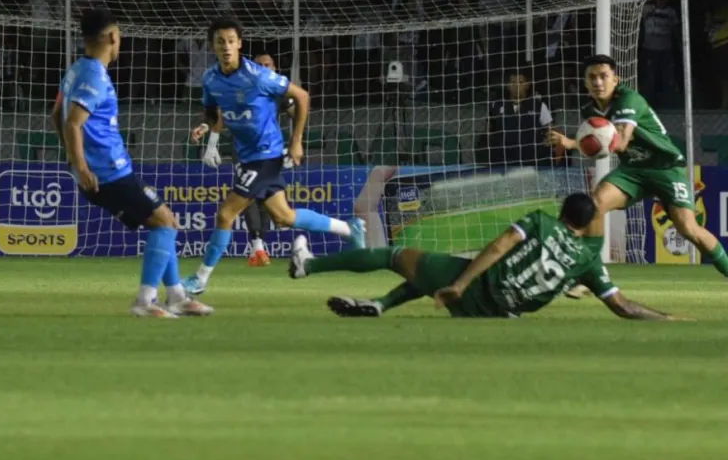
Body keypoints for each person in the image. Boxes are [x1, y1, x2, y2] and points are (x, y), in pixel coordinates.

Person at [182, 18, 365, 295]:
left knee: (225, 213)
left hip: (265, 155)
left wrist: (296, 141)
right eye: (221, 42)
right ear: (213, 46)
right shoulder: (209, 79)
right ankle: (350, 229)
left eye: (231, 41)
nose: (227, 47)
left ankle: (200, 280)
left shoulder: (258, 75)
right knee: (284, 217)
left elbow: (301, 96)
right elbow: (212, 110)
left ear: (240, 44)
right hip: (245, 156)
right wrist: (206, 127)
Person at [290, 193, 678, 320]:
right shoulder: (590, 262)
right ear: (592, 222)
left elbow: (497, 247)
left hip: (474, 290)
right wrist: (669, 317)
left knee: (394, 255)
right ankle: (379, 304)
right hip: (499, 313)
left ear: (562, 211)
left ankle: (308, 266)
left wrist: (460, 284)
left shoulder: (542, 223)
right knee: (433, 271)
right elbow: (623, 306)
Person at [53, 9, 212, 318]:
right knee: (165, 222)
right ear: (113, 37)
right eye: (120, 36)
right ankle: (145, 301)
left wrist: (75, 161)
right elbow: (72, 122)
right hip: (106, 174)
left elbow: (55, 115)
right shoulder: (94, 76)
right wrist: (82, 167)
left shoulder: (75, 70)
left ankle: (177, 295)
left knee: (164, 220)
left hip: (107, 171)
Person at [548, 54, 728, 277]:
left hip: (665, 168)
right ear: (585, 82)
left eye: (604, 76)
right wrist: (577, 143)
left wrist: (574, 143)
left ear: (616, 79)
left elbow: (620, 142)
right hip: (632, 170)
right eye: (592, 77)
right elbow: (604, 150)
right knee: (594, 206)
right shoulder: (590, 112)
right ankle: (590, 275)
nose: (598, 82)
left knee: (688, 229)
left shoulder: (629, 99)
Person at [198, 51, 296, 266]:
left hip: (271, 151)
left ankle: (259, 246)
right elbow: (221, 114)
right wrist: (209, 136)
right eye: (260, 64)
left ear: (274, 67)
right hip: (242, 151)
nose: (264, 67)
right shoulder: (245, 88)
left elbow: (296, 110)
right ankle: (257, 246)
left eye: (268, 64)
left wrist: (295, 142)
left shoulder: (277, 92)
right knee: (248, 197)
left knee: (272, 205)